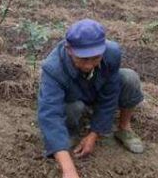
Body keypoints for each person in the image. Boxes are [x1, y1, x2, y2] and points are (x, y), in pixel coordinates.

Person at [38, 19, 145, 178]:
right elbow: (50, 115)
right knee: (73, 108)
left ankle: (124, 128)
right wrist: (69, 170)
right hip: (73, 99)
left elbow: (110, 93)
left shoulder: (112, 53)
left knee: (129, 78)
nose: (89, 65)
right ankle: (69, 133)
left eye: (95, 58)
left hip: (95, 91)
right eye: (83, 59)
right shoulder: (53, 68)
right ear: (69, 50)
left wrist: (94, 134)